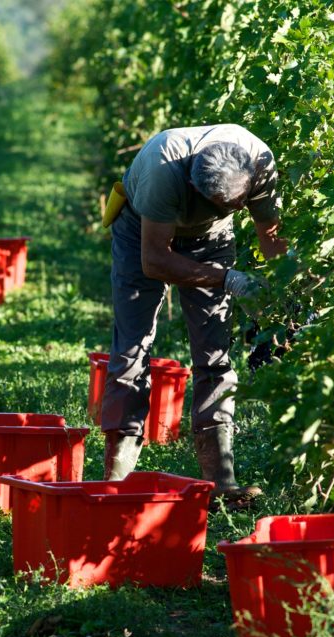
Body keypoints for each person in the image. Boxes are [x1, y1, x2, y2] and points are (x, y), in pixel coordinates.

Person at [101, 124, 287, 508]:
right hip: (142, 231)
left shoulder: (260, 163)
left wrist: (285, 301)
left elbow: (273, 241)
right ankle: (117, 482)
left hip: (213, 240)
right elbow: (154, 261)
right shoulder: (161, 170)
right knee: (131, 351)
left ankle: (221, 482)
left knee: (214, 354)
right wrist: (229, 279)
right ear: (192, 181)